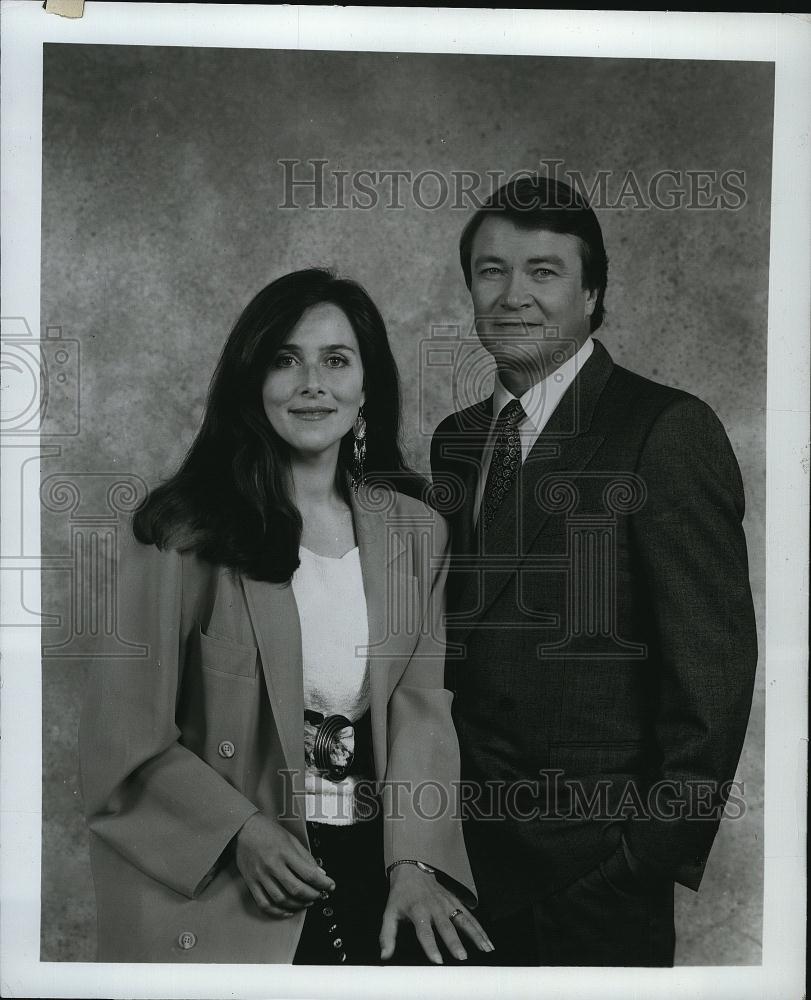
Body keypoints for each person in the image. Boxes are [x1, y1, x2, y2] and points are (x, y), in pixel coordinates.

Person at [79, 268, 494, 965]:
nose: (312, 382)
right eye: (284, 360)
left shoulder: (416, 532)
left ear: (366, 387)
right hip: (226, 871)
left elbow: (422, 710)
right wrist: (239, 830)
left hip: (377, 859)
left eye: (336, 360)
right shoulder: (181, 532)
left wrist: (415, 863)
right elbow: (122, 737)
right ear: (252, 382)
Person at [429, 175, 758, 966]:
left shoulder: (664, 430)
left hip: (591, 878)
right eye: (491, 270)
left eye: (543, 271)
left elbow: (711, 678)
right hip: (455, 864)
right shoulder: (458, 438)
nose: (513, 295)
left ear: (591, 292)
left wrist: (638, 859)